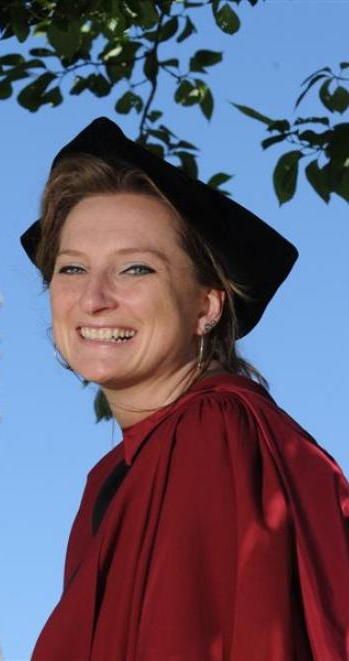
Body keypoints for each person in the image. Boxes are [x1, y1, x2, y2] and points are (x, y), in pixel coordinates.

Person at [20, 117, 349, 660]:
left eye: (136, 269)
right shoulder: (121, 471)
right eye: (72, 268)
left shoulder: (211, 432)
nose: (94, 298)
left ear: (207, 305)